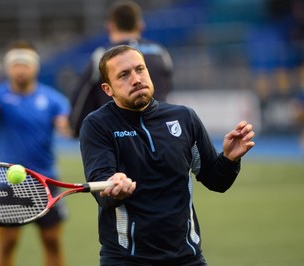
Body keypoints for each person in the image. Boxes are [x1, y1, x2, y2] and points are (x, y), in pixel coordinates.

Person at [79, 45, 255, 266]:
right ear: (108, 89)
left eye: (140, 69)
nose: (136, 79)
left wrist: (230, 159)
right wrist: (114, 188)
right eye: (124, 75)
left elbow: (216, 181)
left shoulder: (184, 118)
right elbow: (102, 192)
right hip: (126, 259)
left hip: (187, 258)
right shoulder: (97, 125)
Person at [0, 40, 70, 266]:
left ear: (35, 67)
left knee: (52, 240)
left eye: (25, 64)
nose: (20, 69)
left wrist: (67, 127)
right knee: (7, 243)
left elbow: (65, 123)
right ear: (8, 68)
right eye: (15, 64)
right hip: (8, 183)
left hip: (45, 180)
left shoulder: (52, 98)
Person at [69, 0, 174, 137]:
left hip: (119, 135)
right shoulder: (160, 52)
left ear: (110, 27)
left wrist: (74, 127)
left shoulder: (103, 56)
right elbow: (168, 87)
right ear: (140, 26)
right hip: (160, 132)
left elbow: (82, 95)